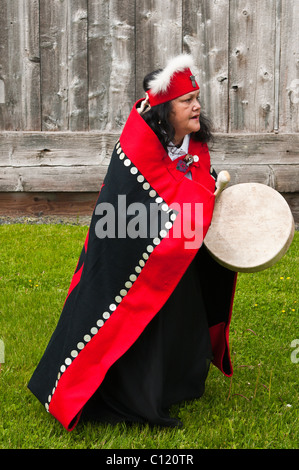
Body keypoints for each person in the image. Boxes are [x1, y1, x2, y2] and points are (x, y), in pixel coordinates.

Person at [28, 54, 237, 431]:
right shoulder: (136, 149)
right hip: (131, 259)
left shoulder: (193, 145)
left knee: (184, 311)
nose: (197, 106)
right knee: (135, 319)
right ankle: (133, 394)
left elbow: (192, 191)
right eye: (186, 100)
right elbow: (130, 214)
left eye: (196, 97)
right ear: (163, 110)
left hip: (178, 255)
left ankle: (178, 383)